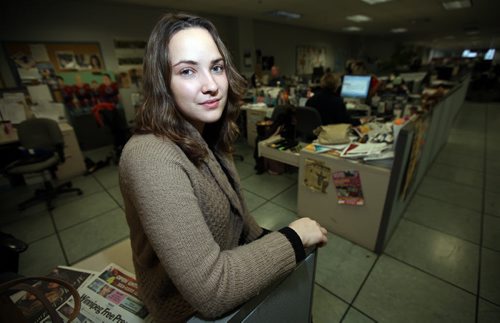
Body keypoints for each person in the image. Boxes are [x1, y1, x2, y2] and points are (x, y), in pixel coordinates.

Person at [119, 13, 328, 322]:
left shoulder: (209, 131)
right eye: (188, 71)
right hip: (184, 307)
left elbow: (240, 218)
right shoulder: (150, 156)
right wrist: (293, 238)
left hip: (232, 262)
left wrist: (268, 239)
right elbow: (212, 292)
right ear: (162, 81)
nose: (211, 85)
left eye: (216, 68)